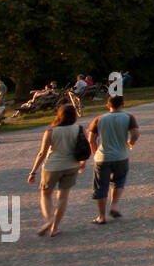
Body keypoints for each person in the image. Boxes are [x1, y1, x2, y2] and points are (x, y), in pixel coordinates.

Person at [27, 104, 87, 237]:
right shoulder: (80, 129)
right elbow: (84, 147)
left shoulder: (51, 131)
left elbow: (42, 153)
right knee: (63, 197)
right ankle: (55, 227)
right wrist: (83, 163)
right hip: (72, 165)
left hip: (52, 167)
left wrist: (33, 171)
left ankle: (49, 219)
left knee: (46, 193)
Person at [88, 95, 140, 224]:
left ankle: (101, 216)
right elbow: (135, 134)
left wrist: (95, 154)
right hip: (121, 156)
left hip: (102, 157)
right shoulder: (129, 118)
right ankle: (114, 206)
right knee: (119, 181)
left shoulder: (99, 119)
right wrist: (129, 144)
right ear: (123, 104)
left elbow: (91, 139)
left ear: (108, 105)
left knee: (101, 186)